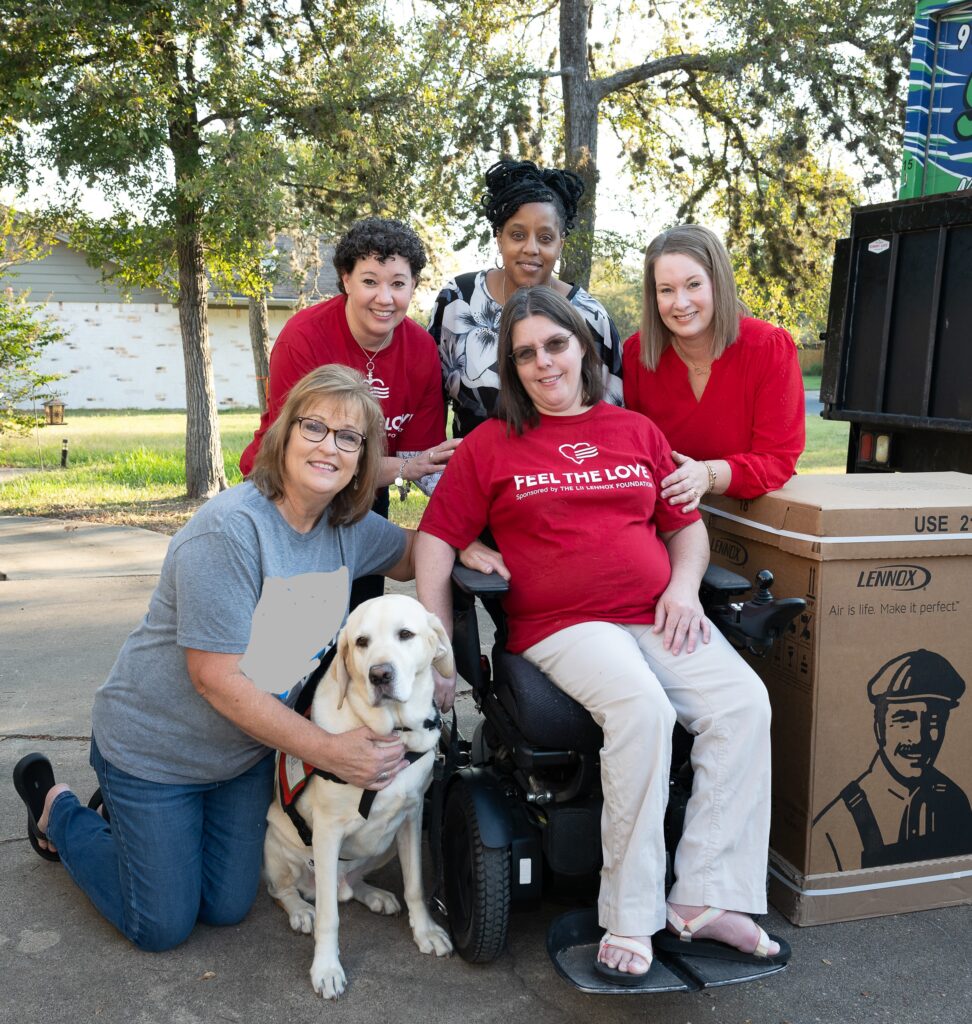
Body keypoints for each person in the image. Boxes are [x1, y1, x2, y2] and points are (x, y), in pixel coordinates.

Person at [416, 286, 787, 984]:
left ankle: (704, 898)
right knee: (641, 709)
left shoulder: (636, 431)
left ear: (582, 347)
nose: (543, 363)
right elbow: (436, 541)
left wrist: (682, 588)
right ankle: (629, 913)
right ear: (513, 368)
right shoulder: (494, 442)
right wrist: (440, 654)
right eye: (524, 354)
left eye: (554, 345)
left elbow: (686, 528)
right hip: (563, 626)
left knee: (744, 704)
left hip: (655, 610)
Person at [12, 365, 418, 953]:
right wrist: (330, 752)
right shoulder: (230, 531)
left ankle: (147, 834)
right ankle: (63, 811)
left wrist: (476, 544)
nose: (329, 445)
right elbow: (216, 679)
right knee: (161, 925)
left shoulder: (346, 528)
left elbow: (415, 552)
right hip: (156, 749)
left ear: (362, 458)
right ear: (284, 434)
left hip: (239, 757)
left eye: (349, 437)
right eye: (314, 427)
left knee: (227, 908)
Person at [240, 216, 458, 607]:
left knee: (354, 626)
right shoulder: (305, 336)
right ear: (346, 280)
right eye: (370, 281)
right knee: (281, 635)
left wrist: (465, 529)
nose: (385, 298)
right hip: (282, 493)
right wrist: (403, 469)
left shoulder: (422, 350)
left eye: (398, 283)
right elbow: (299, 455)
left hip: (360, 498)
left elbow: (421, 459)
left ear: (413, 286)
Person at [429, 159, 623, 439]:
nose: (531, 248)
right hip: (476, 473)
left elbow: (612, 416)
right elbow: (429, 402)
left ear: (560, 244)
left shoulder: (589, 316)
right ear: (499, 238)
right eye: (517, 235)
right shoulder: (458, 299)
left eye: (545, 238)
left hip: (564, 474)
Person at [622, 224, 805, 512]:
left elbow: (778, 460)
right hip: (665, 520)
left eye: (693, 285)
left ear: (717, 283)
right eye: (666, 290)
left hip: (749, 522)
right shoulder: (637, 354)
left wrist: (706, 475)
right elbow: (631, 454)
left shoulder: (767, 347)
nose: (680, 303)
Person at [813, 649, 972, 871]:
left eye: (934, 721)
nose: (918, 738)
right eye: (904, 720)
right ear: (879, 727)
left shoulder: (956, 803)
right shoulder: (837, 826)